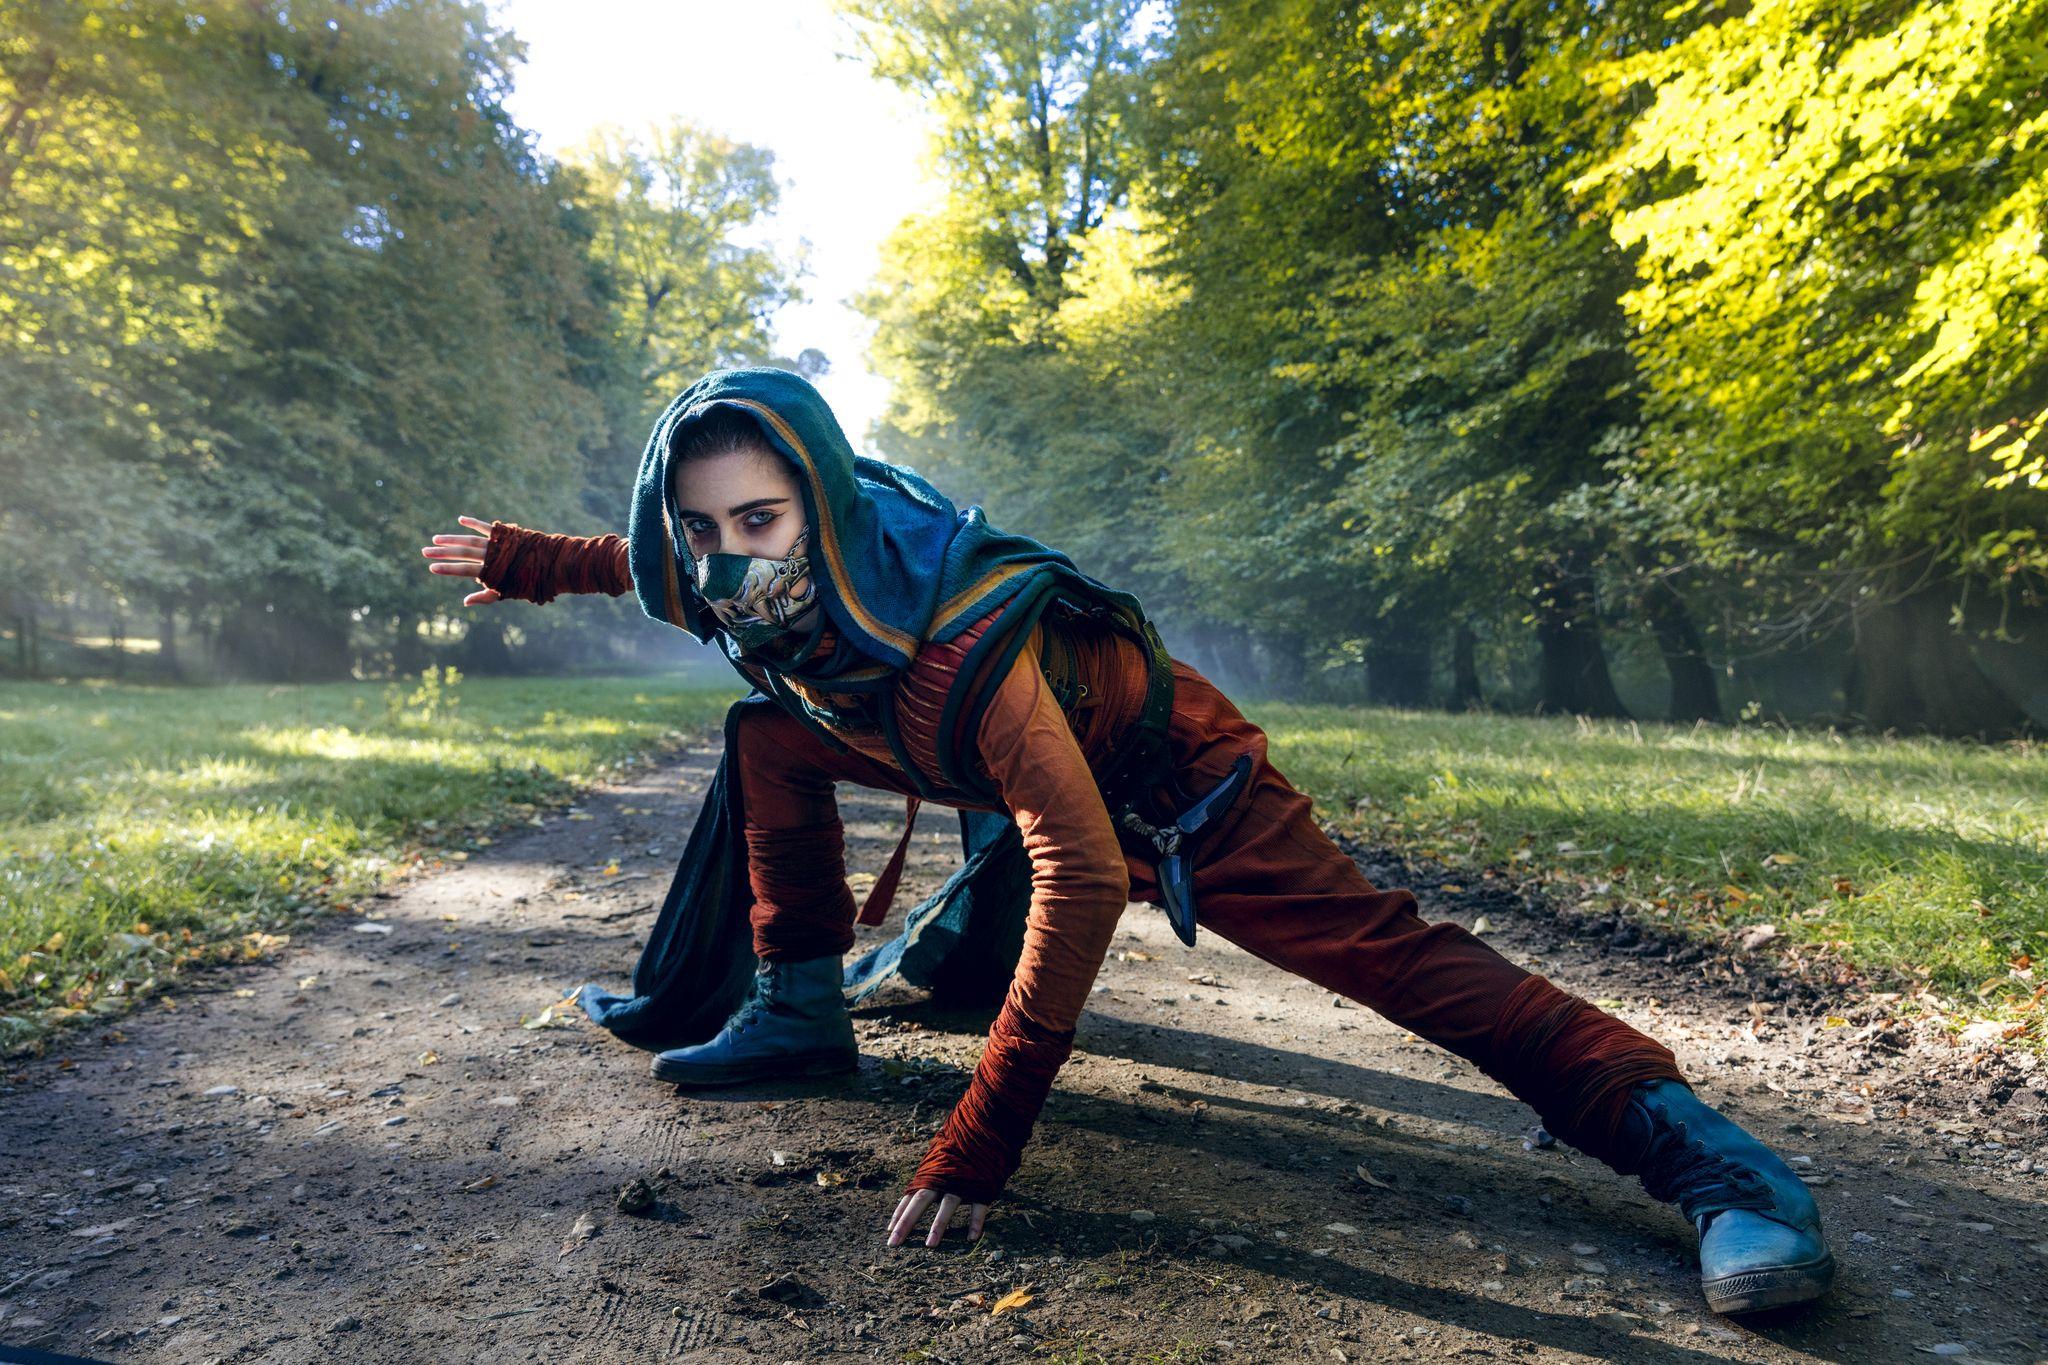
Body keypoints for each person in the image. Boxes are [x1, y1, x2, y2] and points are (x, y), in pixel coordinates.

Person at [419, 366, 1833, 1316]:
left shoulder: (949, 643)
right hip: (977, 761)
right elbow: (644, 558)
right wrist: (534, 560)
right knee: (769, 731)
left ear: (826, 513)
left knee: (1399, 962)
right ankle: (798, 1014)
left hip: (1178, 789)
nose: (732, 554)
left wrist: (980, 1137)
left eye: (762, 519)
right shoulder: (723, 577)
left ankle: (1716, 1165)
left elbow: (1083, 869)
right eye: (702, 525)